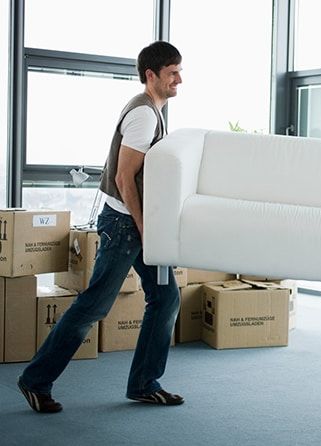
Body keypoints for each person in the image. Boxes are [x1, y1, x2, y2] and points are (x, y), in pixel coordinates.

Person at [18, 41, 184, 413]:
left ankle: (144, 383)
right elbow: (126, 179)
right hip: (126, 226)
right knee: (94, 305)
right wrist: (146, 229)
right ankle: (35, 380)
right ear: (151, 75)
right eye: (172, 72)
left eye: (179, 71)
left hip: (139, 224)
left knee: (166, 297)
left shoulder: (153, 111)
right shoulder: (142, 115)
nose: (179, 80)